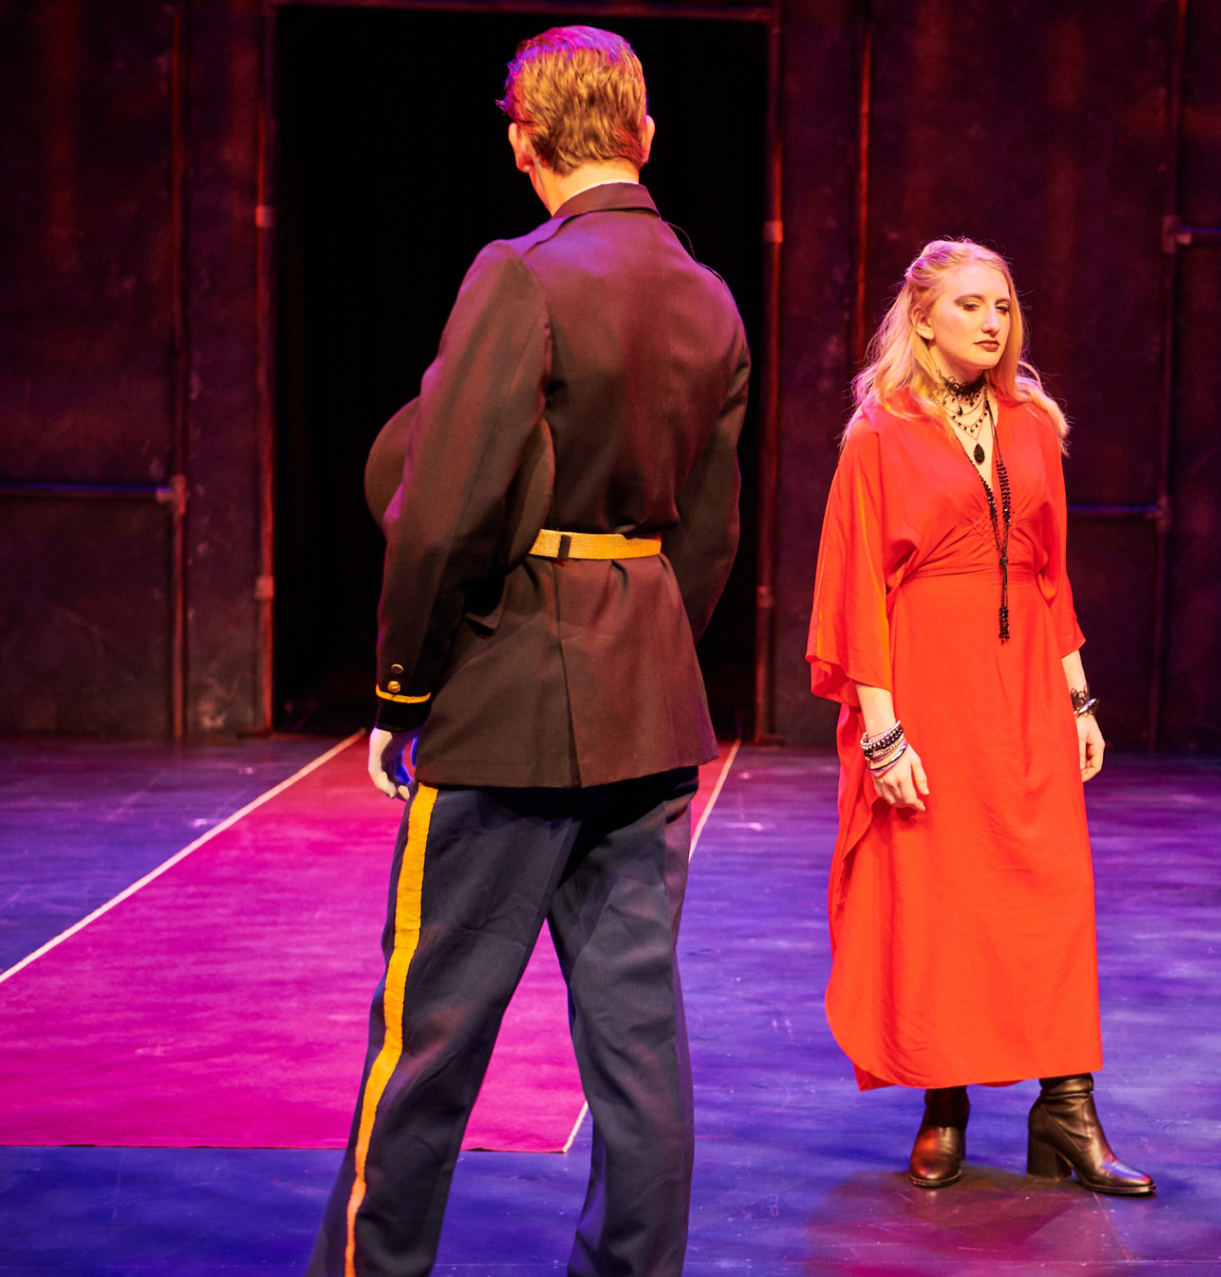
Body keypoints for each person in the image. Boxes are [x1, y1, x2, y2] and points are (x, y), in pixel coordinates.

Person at [309, 28, 749, 1277]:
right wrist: (646, 648)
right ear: (643, 134)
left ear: (520, 143)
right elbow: (709, 536)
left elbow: (442, 506)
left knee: (430, 1033)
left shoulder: (521, 273)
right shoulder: (709, 294)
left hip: (506, 700)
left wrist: (402, 684)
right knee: (637, 1039)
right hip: (651, 699)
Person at [806, 239, 1154, 1196]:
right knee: (943, 894)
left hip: (1027, 689)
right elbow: (855, 589)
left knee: (1049, 891)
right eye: (968, 306)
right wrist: (882, 730)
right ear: (921, 318)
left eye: (1002, 305)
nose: (992, 323)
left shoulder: (1033, 422)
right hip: (927, 685)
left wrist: (1078, 694)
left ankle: (1067, 1108)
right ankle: (944, 1100)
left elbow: (1050, 568)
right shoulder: (879, 433)